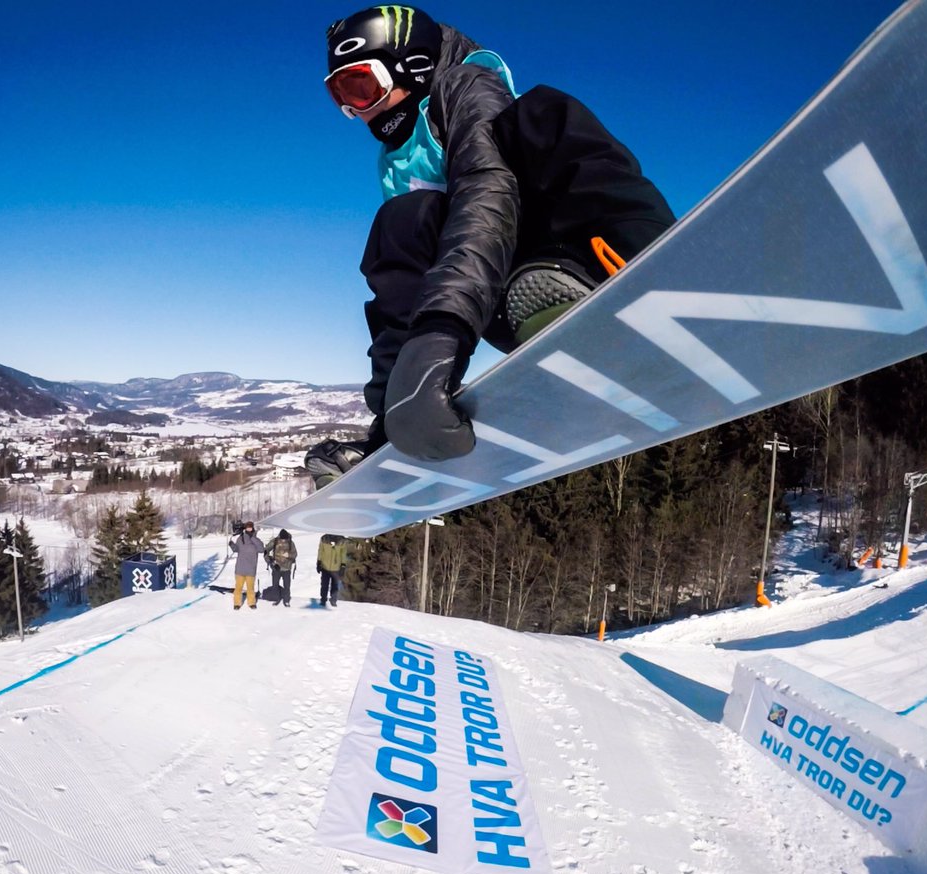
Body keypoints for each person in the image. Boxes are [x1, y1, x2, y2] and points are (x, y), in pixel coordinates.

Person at [306, 5, 675, 486]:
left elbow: (488, 194)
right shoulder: (398, 161)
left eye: (361, 87)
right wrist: (398, 406)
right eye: (341, 96)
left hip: (581, 252)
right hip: (516, 295)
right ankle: (395, 424)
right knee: (401, 223)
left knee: (543, 117)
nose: (356, 110)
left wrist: (443, 330)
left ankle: (644, 268)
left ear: (413, 66)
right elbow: (403, 281)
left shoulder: (466, 87)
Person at [228, 521, 264, 610]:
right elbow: (236, 549)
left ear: (252, 528)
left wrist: (252, 538)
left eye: (250, 527)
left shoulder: (256, 540)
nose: (249, 529)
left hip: (251, 569)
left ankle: (251, 603)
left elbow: (261, 549)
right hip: (240, 568)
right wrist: (232, 545)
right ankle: (237, 603)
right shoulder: (240, 539)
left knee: (250, 588)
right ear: (245, 528)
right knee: (238, 588)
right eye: (247, 527)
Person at [264, 528, 298, 606]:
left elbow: (295, 554)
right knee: (275, 585)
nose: (283, 541)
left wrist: (288, 555)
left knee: (287, 585)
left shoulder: (290, 542)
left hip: (287, 568)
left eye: (284, 539)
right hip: (276, 567)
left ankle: (286, 600)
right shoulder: (275, 541)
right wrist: (270, 561)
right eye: (282, 539)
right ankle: (276, 598)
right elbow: (266, 550)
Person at [316, 534, 348, 607]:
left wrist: (343, 565)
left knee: (335, 585)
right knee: (324, 585)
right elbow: (320, 551)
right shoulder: (324, 539)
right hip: (325, 567)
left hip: (336, 568)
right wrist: (319, 562)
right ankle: (323, 600)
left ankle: (333, 600)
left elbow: (343, 553)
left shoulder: (342, 541)